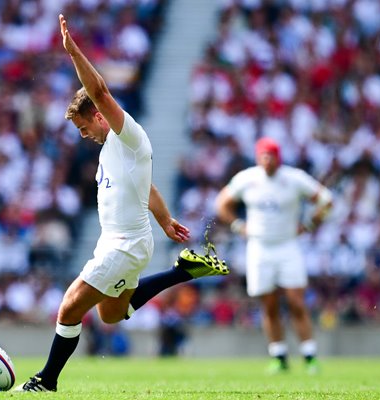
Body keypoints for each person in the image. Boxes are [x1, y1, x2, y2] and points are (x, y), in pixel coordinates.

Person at [12, 14, 229, 392]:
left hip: (124, 244)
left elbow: (99, 91)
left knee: (68, 307)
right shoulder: (114, 150)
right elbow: (146, 189)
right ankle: (183, 271)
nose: (83, 136)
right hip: (125, 241)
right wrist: (165, 222)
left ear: (98, 116)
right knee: (111, 314)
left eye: (84, 128)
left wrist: (72, 51)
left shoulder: (127, 134)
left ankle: (47, 380)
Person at [215, 137, 333, 374]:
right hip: (259, 247)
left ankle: (309, 355)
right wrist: (239, 226)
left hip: (287, 245)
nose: (267, 161)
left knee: (295, 301)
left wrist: (309, 224)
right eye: (263, 156)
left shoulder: (294, 179)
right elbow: (222, 203)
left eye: (271, 156)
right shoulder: (248, 179)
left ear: (278, 158)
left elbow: (326, 200)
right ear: (258, 158)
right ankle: (278, 356)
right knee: (268, 304)